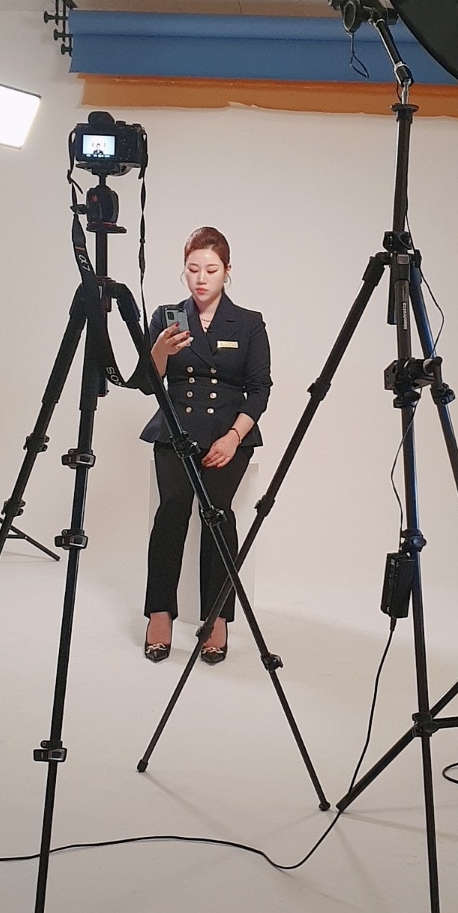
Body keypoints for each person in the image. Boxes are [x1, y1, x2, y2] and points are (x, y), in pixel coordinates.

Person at [140, 226, 271, 664]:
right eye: (193, 268)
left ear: (226, 271)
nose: (201, 278)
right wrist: (160, 350)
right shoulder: (166, 317)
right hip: (175, 430)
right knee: (171, 511)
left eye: (211, 270)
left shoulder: (248, 322)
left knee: (217, 515)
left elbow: (259, 389)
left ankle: (217, 618)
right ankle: (159, 613)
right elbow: (148, 384)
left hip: (227, 434)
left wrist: (234, 437)